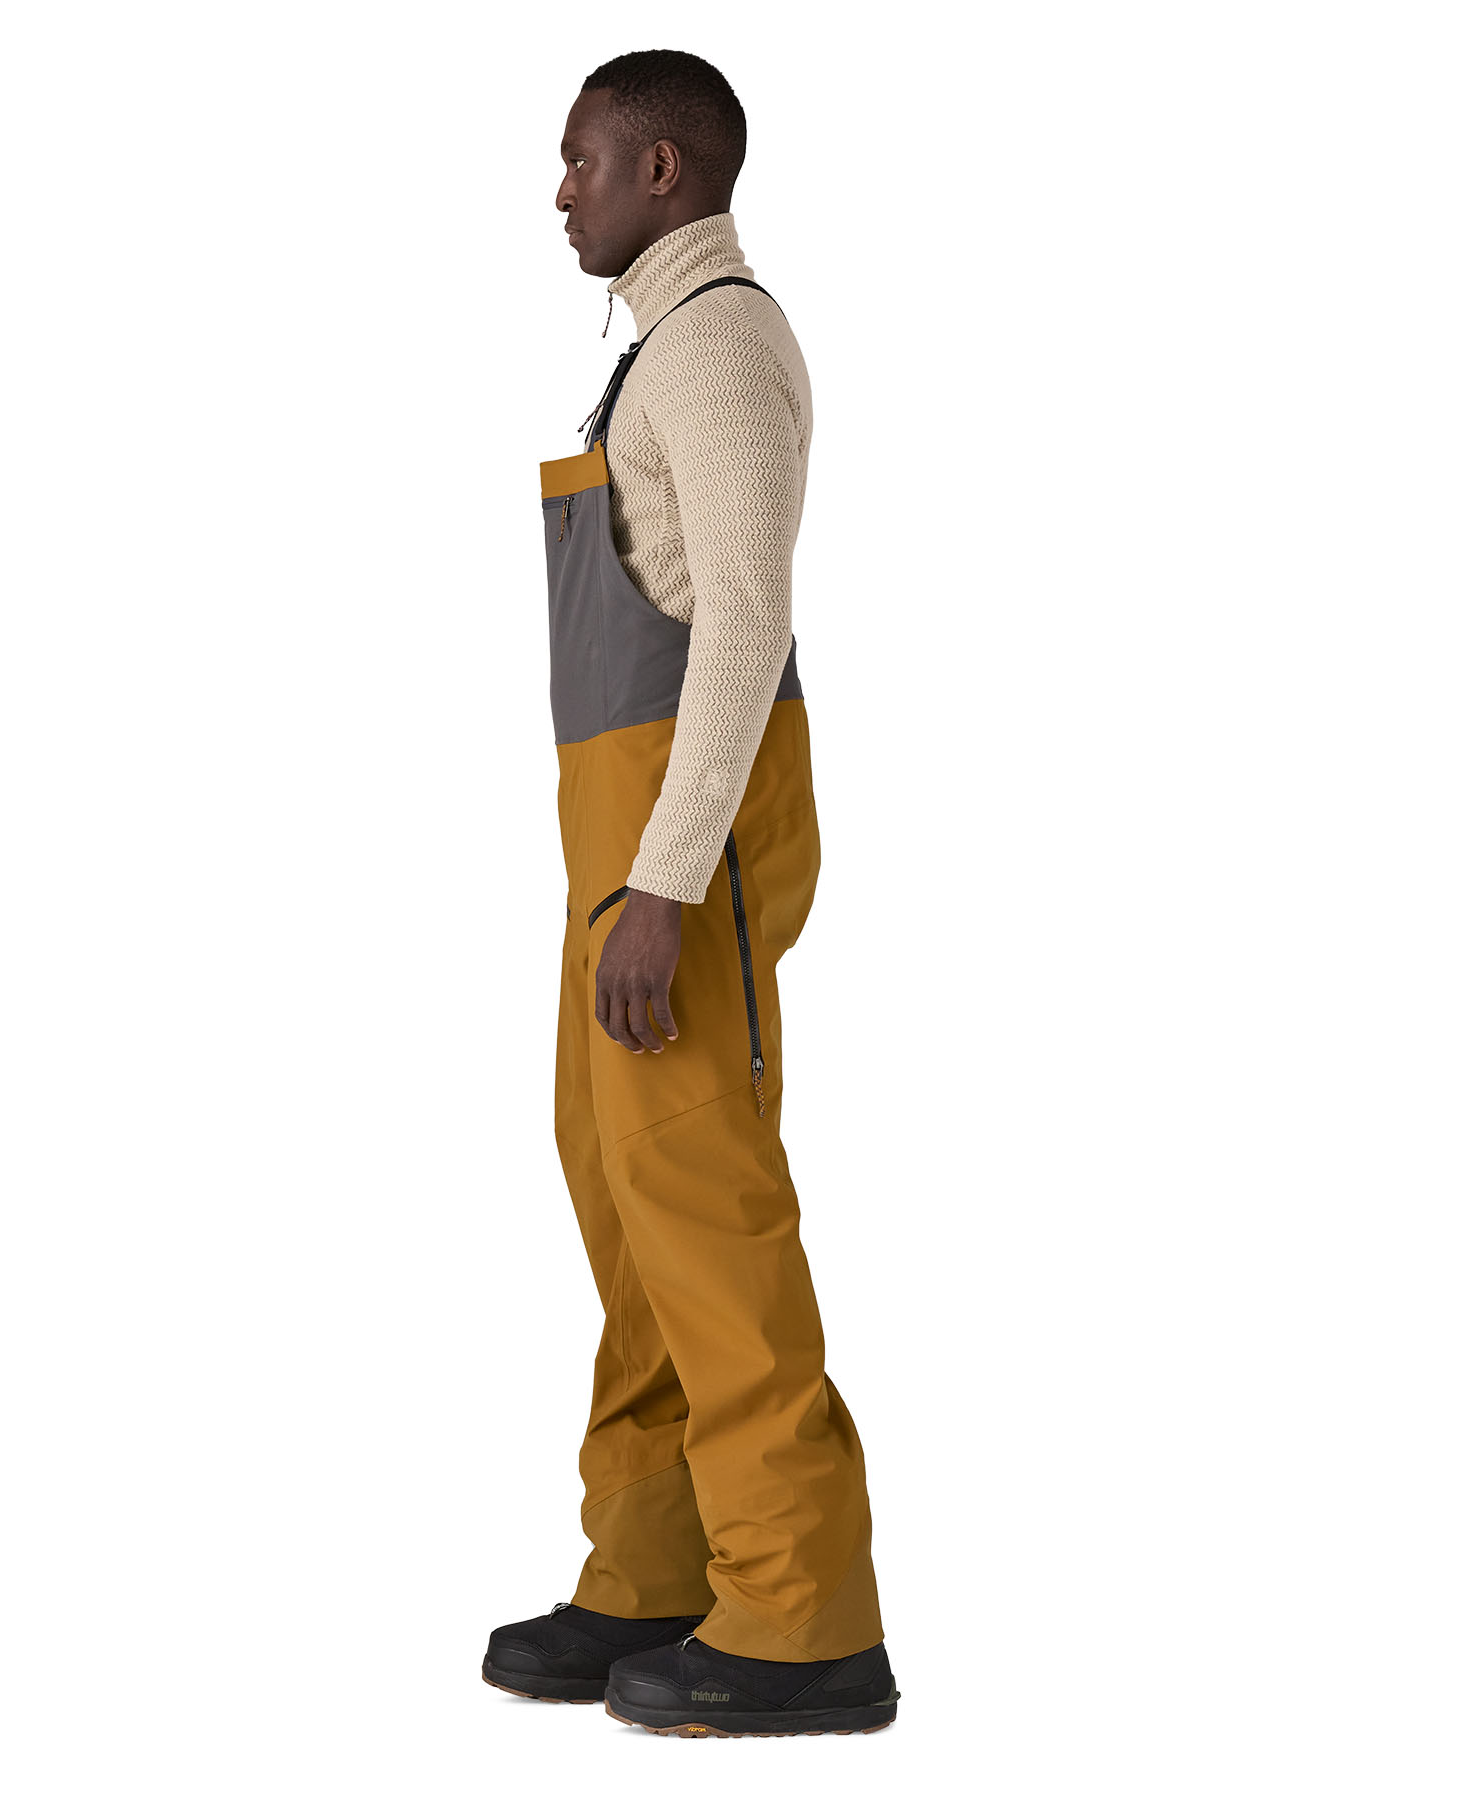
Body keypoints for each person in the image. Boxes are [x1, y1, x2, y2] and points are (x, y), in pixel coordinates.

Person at [481, 49, 898, 1740]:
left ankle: (803, 1620)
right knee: (626, 1201)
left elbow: (744, 620)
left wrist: (661, 882)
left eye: (580, 160)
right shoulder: (657, 350)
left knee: (706, 1212)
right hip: (625, 850)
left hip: (677, 850)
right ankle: (656, 1570)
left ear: (662, 169)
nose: (560, 190)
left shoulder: (717, 346)